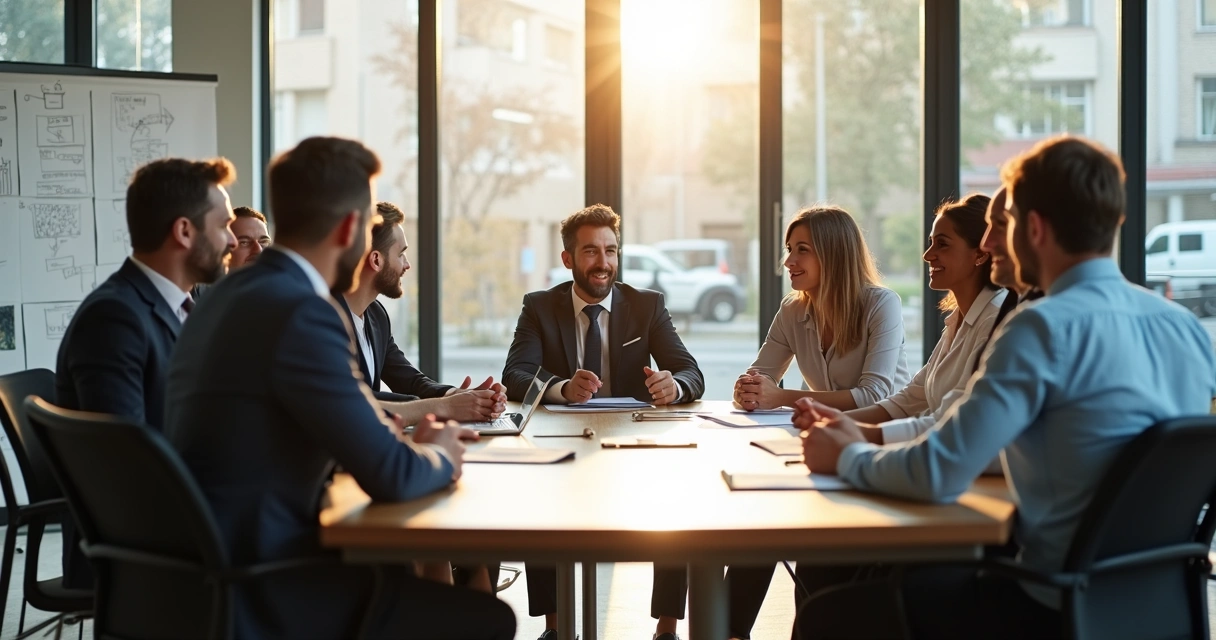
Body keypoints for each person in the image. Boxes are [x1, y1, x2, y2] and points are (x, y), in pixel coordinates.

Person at [795, 135, 1216, 639]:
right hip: (1155, 606)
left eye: (1006, 223)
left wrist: (844, 457)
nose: (993, 241)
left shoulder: (1042, 327)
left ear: (1034, 229)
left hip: (1047, 603)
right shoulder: (1185, 326)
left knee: (828, 614)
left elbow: (939, 472)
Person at [164, 136, 515, 639]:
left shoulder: (226, 296)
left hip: (206, 573)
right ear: (352, 228)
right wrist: (442, 454)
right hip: (267, 586)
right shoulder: (303, 311)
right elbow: (391, 475)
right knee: (485, 618)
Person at [502, 203, 704, 640]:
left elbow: (692, 372)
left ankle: (666, 629)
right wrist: (561, 387)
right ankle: (557, 628)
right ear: (568, 259)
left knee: (676, 496)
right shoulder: (539, 306)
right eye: (591, 252)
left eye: (611, 251)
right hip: (566, 444)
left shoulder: (647, 305)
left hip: (635, 443)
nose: (604, 263)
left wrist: (676, 386)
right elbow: (515, 375)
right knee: (539, 494)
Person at [55, 157, 237, 589]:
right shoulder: (115, 318)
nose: (232, 239)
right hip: (142, 552)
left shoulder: (184, 308)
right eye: (224, 225)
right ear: (184, 231)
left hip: (177, 528)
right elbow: (129, 469)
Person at [844, 194, 1007, 444]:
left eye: (942, 244)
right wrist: (835, 421)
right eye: (931, 243)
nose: (927, 255)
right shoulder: (957, 321)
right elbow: (907, 400)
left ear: (980, 254)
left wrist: (857, 432)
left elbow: (954, 423)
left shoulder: (994, 320)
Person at [335, 200, 506, 422]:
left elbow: (410, 380)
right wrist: (444, 407)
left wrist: (458, 396)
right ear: (376, 260)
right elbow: (354, 400)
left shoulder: (377, 315)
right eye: (401, 254)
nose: (407, 265)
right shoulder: (325, 318)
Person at [733, 205, 910, 412]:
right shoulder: (791, 309)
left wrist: (781, 396)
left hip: (886, 434)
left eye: (803, 250)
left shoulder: (882, 304)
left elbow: (873, 396)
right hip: (826, 431)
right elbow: (760, 373)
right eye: (789, 249)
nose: (789, 262)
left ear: (834, 255)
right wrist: (748, 390)